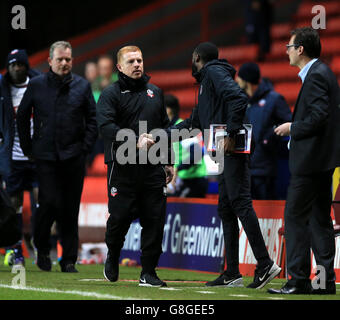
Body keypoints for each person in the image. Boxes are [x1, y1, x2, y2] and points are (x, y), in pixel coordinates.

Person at [165, 42, 280, 289]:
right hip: (222, 149)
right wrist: (162, 135)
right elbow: (193, 123)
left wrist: (230, 131)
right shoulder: (209, 83)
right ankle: (232, 273)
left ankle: (265, 264)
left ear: (196, 57)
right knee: (227, 208)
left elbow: (239, 97)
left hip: (231, 148)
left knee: (239, 202)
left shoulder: (213, 73)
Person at [268, 27, 340, 295]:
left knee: (295, 218)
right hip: (320, 162)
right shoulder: (320, 72)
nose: (286, 50)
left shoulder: (317, 75)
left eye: (289, 46)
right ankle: (323, 282)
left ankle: (297, 280)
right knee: (320, 220)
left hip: (311, 163)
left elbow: (319, 116)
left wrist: (292, 127)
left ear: (300, 49)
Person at [16, 41, 98, 273]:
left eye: (68, 59)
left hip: (74, 156)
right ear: (50, 61)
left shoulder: (82, 86)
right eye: (60, 59)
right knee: (50, 203)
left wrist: (86, 148)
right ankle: (41, 247)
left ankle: (68, 259)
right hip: (46, 156)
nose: (64, 63)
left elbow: (92, 119)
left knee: (70, 209)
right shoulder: (37, 84)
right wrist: (28, 147)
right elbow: (22, 116)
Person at [96, 45, 174, 287]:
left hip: (152, 167)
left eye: (140, 60)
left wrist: (168, 160)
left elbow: (165, 128)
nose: (138, 65)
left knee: (155, 219)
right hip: (122, 167)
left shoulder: (156, 92)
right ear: (120, 67)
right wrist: (132, 139)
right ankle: (113, 255)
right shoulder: (110, 94)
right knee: (119, 218)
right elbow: (105, 127)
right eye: (131, 61)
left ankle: (148, 272)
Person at [0, 49, 40, 266]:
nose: (16, 68)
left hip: (36, 157)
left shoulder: (38, 83)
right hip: (12, 158)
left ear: (26, 66)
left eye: (20, 65)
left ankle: (39, 247)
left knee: (42, 204)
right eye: (13, 65)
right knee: (12, 206)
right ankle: (14, 249)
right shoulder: (2, 86)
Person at [236, 62, 292, 199]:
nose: (236, 80)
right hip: (244, 169)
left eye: (239, 77)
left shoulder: (274, 99)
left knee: (266, 211)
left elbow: (290, 124)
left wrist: (269, 139)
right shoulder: (241, 101)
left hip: (265, 169)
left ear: (246, 80)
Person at [165, 94, 208, 198]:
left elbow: (197, 154)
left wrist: (177, 169)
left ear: (169, 110)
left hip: (195, 180)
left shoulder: (180, 128)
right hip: (184, 180)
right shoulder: (170, 129)